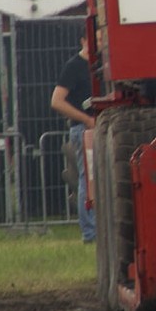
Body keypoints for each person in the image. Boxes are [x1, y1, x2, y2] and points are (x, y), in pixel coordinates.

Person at [51, 31, 96, 243]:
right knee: (87, 179)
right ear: (84, 41)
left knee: (92, 179)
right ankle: (90, 232)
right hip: (84, 130)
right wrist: (86, 119)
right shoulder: (74, 66)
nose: (101, 43)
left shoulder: (100, 64)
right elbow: (57, 101)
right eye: (97, 39)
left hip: (95, 128)